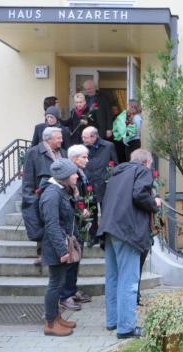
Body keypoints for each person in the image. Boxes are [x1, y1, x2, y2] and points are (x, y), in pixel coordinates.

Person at [97, 149, 161, 339]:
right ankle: (126, 328)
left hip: (109, 230)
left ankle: (113, 322)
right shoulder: (142, 171)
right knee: (129, 280)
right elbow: (140, 195)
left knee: (113, 278)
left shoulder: (117, 174)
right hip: (127, 231)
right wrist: (154, 204)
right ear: (147, 162)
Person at [40, 159, 80, 336]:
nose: (77, 175)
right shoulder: (52, 194)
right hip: (56, 247)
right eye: (73, 173)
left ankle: (57, 318)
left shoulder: (61, 191)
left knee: (59, 282)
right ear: (64, 177)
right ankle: (50, 323)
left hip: (61, 245)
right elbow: (52, 225)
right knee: (55, 285)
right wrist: (62, 251)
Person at [22, 127, 67, 264]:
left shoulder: (63, 152)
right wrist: (31, 198)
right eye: (58, 138)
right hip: (41, 196)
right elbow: (27, 178)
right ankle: (42, 253)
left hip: (61, 195)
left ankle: (60, 251)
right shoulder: (34, 152)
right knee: (43, 224)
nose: (61, 140)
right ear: (49, 139)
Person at [59, 145, 93, 311]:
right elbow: (67, 200)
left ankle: (71, 291)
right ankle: (65, 296)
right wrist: (79, 210)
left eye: (87, 157)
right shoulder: (69, 176)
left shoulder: (81, 174)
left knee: (77, 259)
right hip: (70, 225)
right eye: (84, 157)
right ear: (74, 159)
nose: (87, 160)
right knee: (70, 261)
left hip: (79, 223)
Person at [81, 126, 118, 245]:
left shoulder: (108, 146)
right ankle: (93, 236)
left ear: (94, 136)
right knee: (91, 211)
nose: (83, 139)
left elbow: (115, 164)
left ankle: (104, 237)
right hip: (89, 183)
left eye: (85, 137)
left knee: (106, 211)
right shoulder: (82, 148)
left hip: (104, 183)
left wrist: (109, 177)